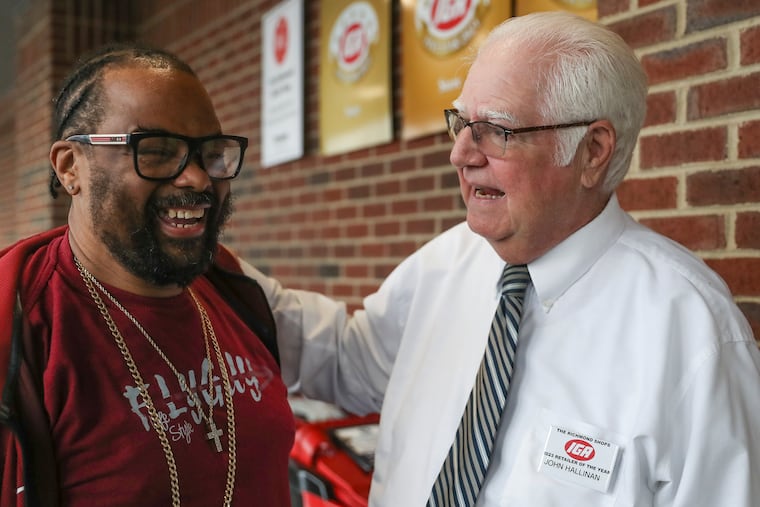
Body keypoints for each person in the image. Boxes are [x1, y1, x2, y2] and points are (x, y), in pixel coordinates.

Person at [244, 11, 760, 507]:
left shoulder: (693, 333)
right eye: (462, 123)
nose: (461, 154)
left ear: (593, 150)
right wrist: (214, 272)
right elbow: (347, 360)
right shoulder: (446, 263)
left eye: (498, 130)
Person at [0, 44, 294, 506]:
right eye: (155, 151)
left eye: (210, 152)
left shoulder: (232, 287)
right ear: (70, 166)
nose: (196, 178)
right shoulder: (25, 327)